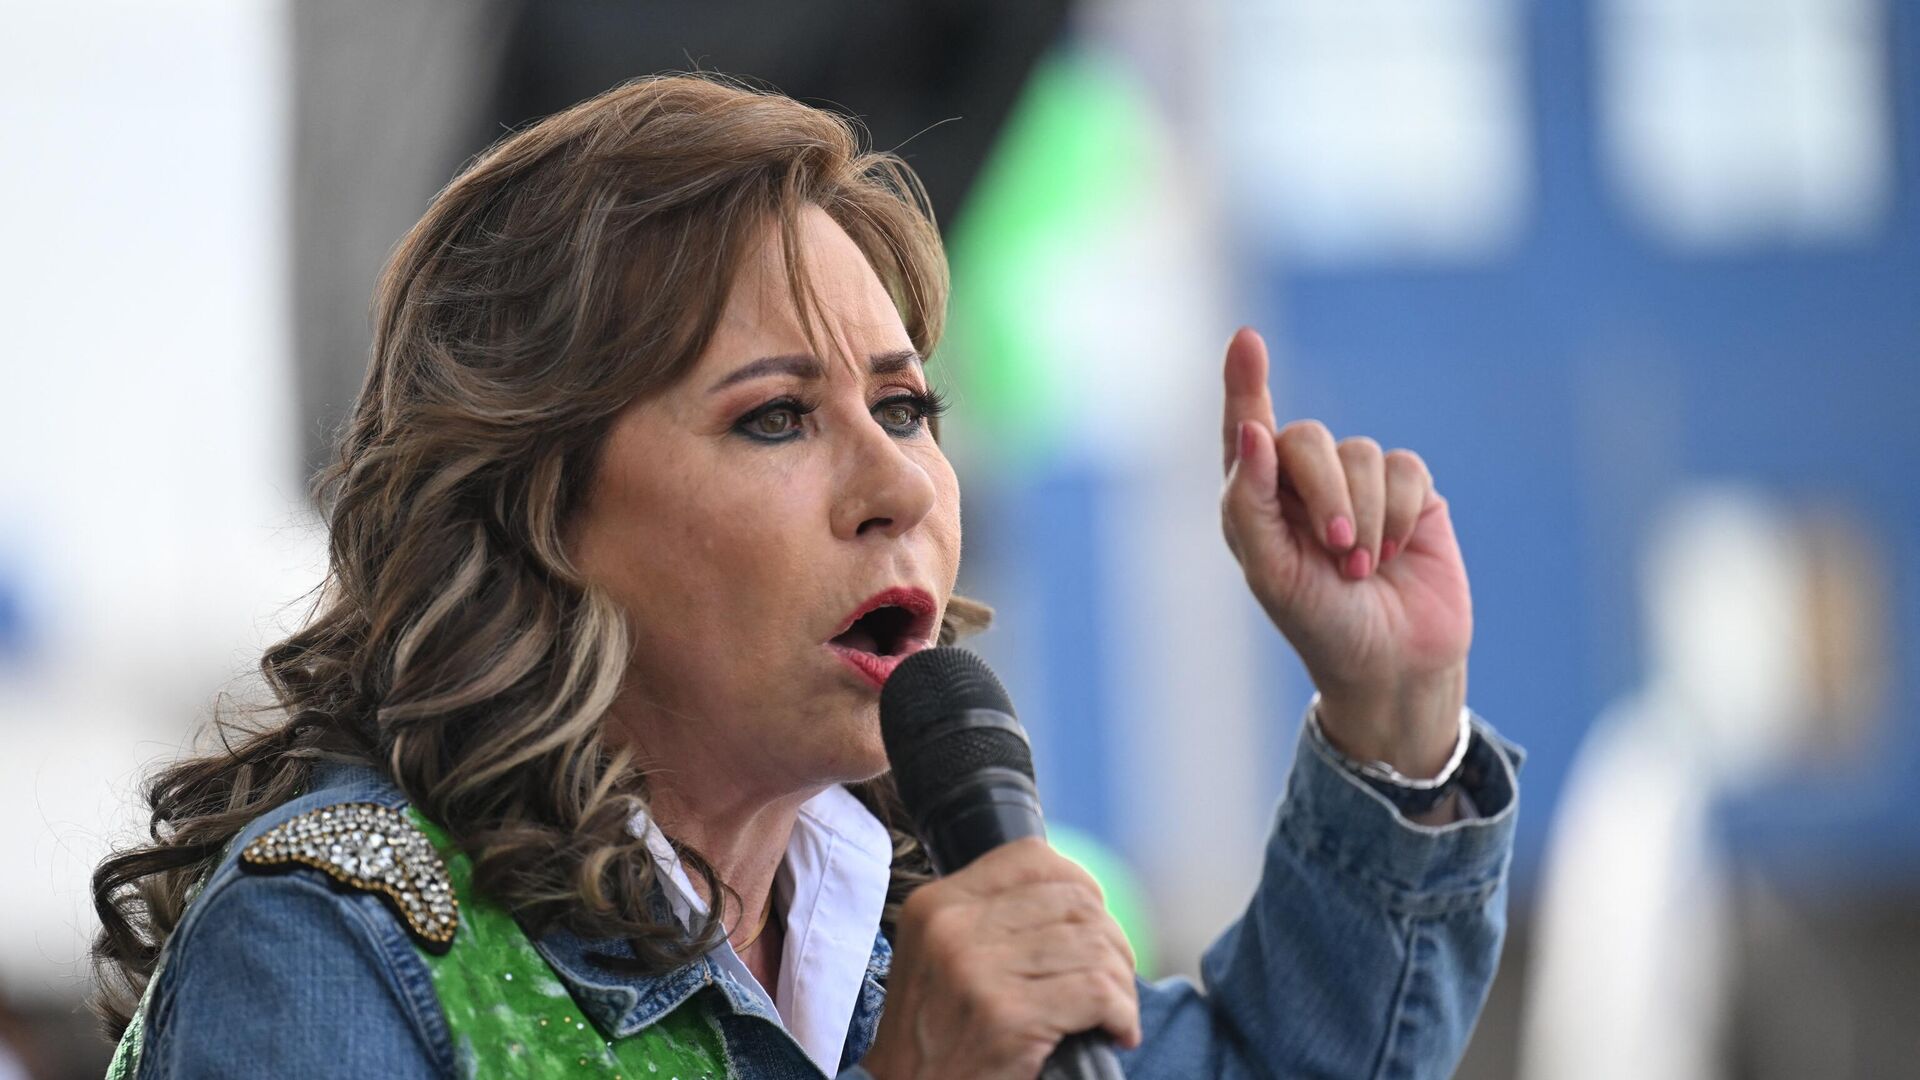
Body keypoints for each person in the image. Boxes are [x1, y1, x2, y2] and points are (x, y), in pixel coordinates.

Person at [91, 73, 1524, 1079]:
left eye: (905, 408)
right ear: (539, 512)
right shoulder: (336, 947)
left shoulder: (891, 944)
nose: (899, 483)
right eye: (776, 416)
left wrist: (1393, 716)